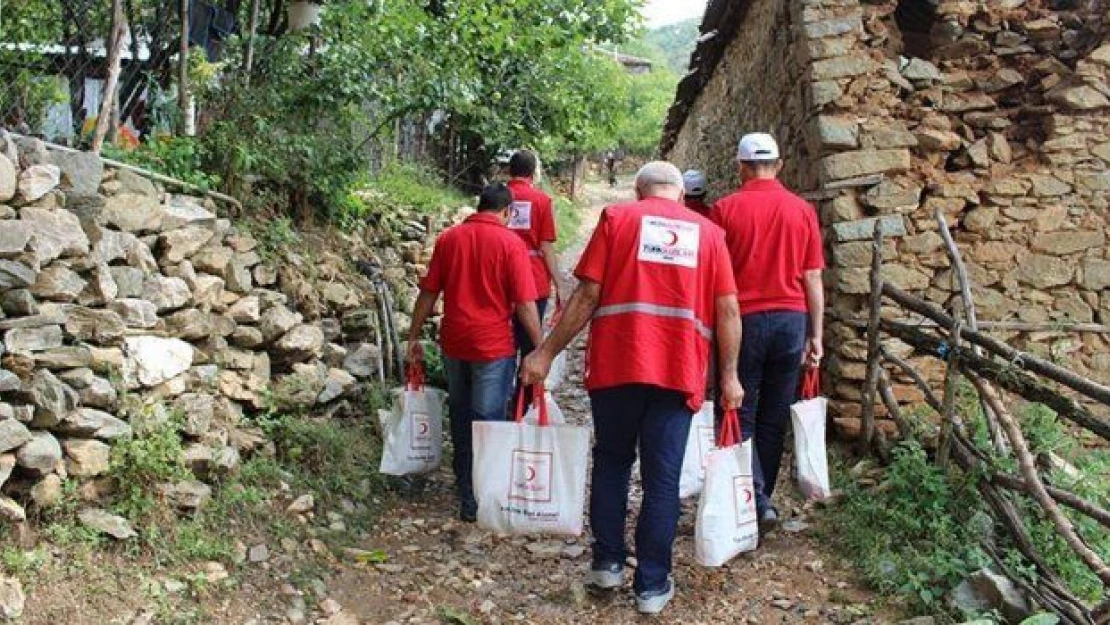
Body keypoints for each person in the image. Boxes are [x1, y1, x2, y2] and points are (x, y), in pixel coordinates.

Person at [521, 162, 743, 615]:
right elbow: (729, 311)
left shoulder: (617, 220)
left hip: (617, 366)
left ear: (640, 192)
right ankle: (652, 586)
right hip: (679, 371)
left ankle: (606, 563)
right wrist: (730, 376)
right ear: (680, 194)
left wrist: (544, 352)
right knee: (662, 480)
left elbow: (586, 296)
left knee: (612, 460)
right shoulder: (709, 234)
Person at [709, 133, 825, 529]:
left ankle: (752, 495)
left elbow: (713, 277)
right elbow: (812, 278)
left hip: (742, 321)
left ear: (741, 167)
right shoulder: (802, 211)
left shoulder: (723, 210)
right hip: (792, 320)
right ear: (779, 165)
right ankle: (765, 498)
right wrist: (816, 334)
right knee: (774, 413)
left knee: (740, 407)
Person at [408, 183, 543, 523]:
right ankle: (484, 491)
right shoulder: (512, 244)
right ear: (507, 212)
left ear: (479, 206)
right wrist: (541, 349)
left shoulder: (449, 239)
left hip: (454, 342)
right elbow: (526, 305)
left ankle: (464, 486)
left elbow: (428, 292)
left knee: (460, 411)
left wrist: (412, 335)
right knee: (488, 418)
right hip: (493, 346)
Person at [505, 150, 561, 411]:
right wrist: (559, 283)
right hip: (534, 280)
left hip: (501, 280)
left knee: (504, 341)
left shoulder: (497, 197)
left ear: (509, 170)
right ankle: (523, 402)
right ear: (534, 172)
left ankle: (499, 396)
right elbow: (546, 245)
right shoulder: (541, 200)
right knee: (530, 342)